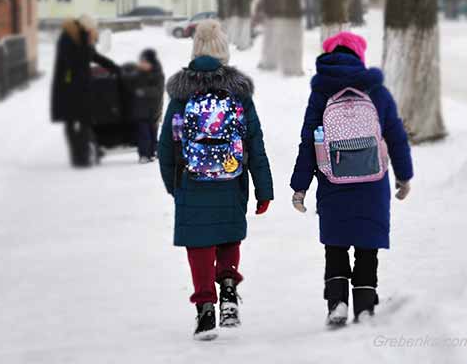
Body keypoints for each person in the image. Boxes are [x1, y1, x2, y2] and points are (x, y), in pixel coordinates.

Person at [158, 20, 274, 341]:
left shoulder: (181, 96)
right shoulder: (238, 94)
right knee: (227, 238)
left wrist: (174, 185)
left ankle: (206, 309)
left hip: (191, 182)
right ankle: (228, 292)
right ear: (224, 51)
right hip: (231, 180)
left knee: (199, 245)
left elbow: (167, 144)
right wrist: (263, 190)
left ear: (195, 50)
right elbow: (255, 142)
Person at [290, 32, 413, 325]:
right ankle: (365, 305)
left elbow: (309, 141)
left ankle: (338, 303)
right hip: (373, 182)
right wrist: (404, 176)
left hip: (333, 180)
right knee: (367, 243)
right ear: (359, 55)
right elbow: (396, 135)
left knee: (336, 244)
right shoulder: (377, 91)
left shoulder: (320, 94)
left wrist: (300, 187)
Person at [51, 15, 120, 168]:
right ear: (84, 28)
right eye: (90, 30)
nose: (92, 33)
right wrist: (86, 40)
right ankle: (78, 157)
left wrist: (114, 67)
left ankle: (82, 154)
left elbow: (94, 56)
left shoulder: (82, 37)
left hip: (81, 87)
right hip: (68, 88)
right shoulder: (68, 38)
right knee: (73, 121)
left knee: (84, 121)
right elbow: (76, 61)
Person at [134, 49, 165, 163]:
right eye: (141, 61)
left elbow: (157, 91)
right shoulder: (139, 73)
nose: (142, 64)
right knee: (143, 132)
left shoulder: (157, 74)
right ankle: (144, 154)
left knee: (152, 131)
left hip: (153, 109)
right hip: (141, 109)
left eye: (144, 62)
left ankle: (152, 152)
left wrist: (142, 91)